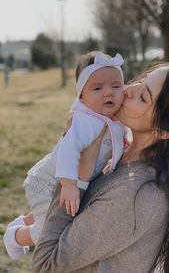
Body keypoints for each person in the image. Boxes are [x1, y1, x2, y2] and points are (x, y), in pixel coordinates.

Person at [32, 63, 169, 273]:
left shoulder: (136, 196)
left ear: (163, 131)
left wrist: (75, 179)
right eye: (141, 81)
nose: (128, 89)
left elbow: (46, 265)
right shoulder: (116, 152)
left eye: (143, 97)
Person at [3, 51, 127, 260]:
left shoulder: (113, 119)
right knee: (47, 232)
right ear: (81, 96)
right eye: (97, 88)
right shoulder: (84, 121)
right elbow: (69, 151)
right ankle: (15, 236)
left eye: (116, 86)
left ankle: (25, 220)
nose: (108, 93)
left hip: (70, 182)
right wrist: (69, 185)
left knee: (55, 212)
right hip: (48, 181)